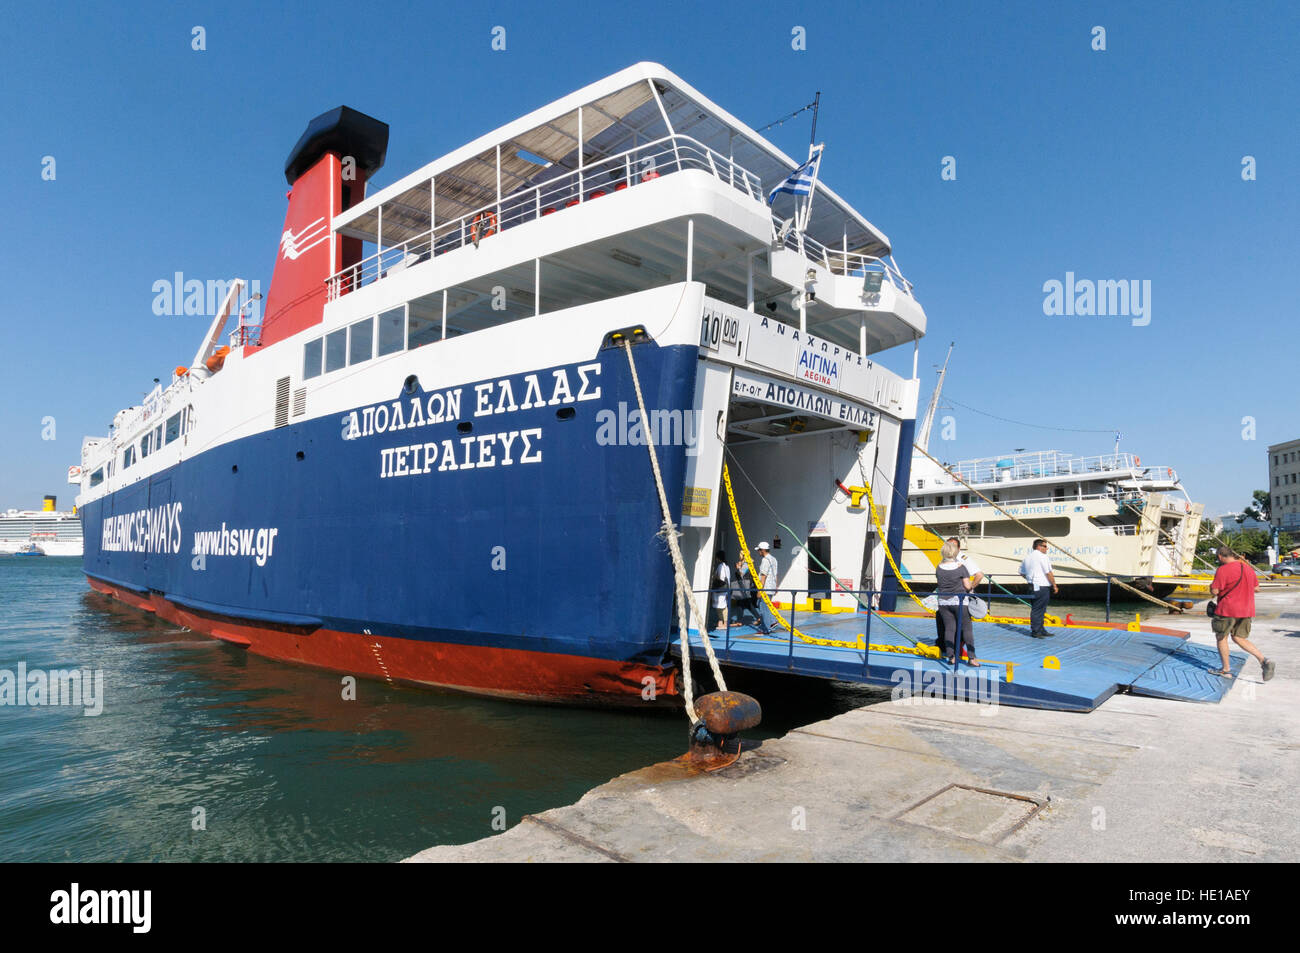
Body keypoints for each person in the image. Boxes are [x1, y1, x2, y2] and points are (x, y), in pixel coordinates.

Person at [1209, 547, 1275, 680]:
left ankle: (1226, 670)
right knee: (1239, 638)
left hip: (1227, 609)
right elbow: (1257, 589)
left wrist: (1211, 588)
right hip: (1246, 609)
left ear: (1221, 556)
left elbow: (1215, 591)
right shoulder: (1248, 568)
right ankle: (1264, 661)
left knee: (1222, 637)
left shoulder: (1223, 569)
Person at [934, 537, 983, 654]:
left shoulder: (962, 560)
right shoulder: (948, 562)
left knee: (958, 627)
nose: (951, 547)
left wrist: (969, 589)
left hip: (952, 599)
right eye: (949, 544)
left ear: (959, 548)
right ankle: (954, 650)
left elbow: (979, 575)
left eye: (953, 545)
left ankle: (955, 651)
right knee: (954, 626)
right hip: (954, 599)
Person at [1019, 538, 1057, 638]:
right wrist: (1054, 585)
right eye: (1045, 546)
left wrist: (1030, 579)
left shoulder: (1027, 558)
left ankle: (1041, 629)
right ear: (1039, 546)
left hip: (1032, 586)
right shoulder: (1043, 557)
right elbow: (1048, 572)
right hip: (1041, 586)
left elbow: (1021, 572)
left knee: (1038, 608)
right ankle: (1036, 631)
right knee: (1038, 609)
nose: (1046, 548)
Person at [731, 557, 766, 632]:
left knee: (741, 603)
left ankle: (739, 621)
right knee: (746, 604)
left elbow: (741, 576)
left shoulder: (746, 565)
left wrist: (738, 568)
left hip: (744, 587)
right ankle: (757, 617)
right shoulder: (748, 564)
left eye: (741, 554)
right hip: (747, 586)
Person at [755, 542, 779, 634]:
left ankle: (767, 628)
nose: (758, 552)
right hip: (771, 586)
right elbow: (776, 574)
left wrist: (760, 590)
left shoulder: (765, 560)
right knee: (763, 605)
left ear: (763, 550)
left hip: (766, 587)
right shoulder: (774, 559)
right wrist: (776, 586)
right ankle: (772, 621)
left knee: (764, 608)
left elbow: (763, 576)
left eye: (759, 550)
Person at [709, 550, 730, 631]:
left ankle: (724, 623)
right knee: (721, 605)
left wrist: (714, 578)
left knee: (721, 606)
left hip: (720, 588)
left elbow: (720, 577)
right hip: (725, 588)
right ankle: (721, 622)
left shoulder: (721, 566)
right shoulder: (726, 566)